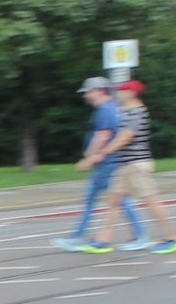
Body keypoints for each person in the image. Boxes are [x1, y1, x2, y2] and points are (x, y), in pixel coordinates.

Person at [104, 78, 176, 252]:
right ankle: (103, 240)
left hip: (136, 164)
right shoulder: (126, 111)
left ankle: (173, 238)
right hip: (125, 165)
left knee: (151, 201)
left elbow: (126, 137)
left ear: (131, 93)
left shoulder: (138, 112)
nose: (118, 93)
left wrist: (104, 151)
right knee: (113, 200)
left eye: (122, 91)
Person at [51, 77, 132, 254]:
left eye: (88, 92)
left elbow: (103, 136)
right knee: (97, 199)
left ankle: (140, 235)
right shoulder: (110, 108)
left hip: (107, 163)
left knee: (118, 200)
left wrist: (89, 158)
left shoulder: (104, 109)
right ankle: (77, 236)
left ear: (100, 91)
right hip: (106, 162)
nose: (85, 96)